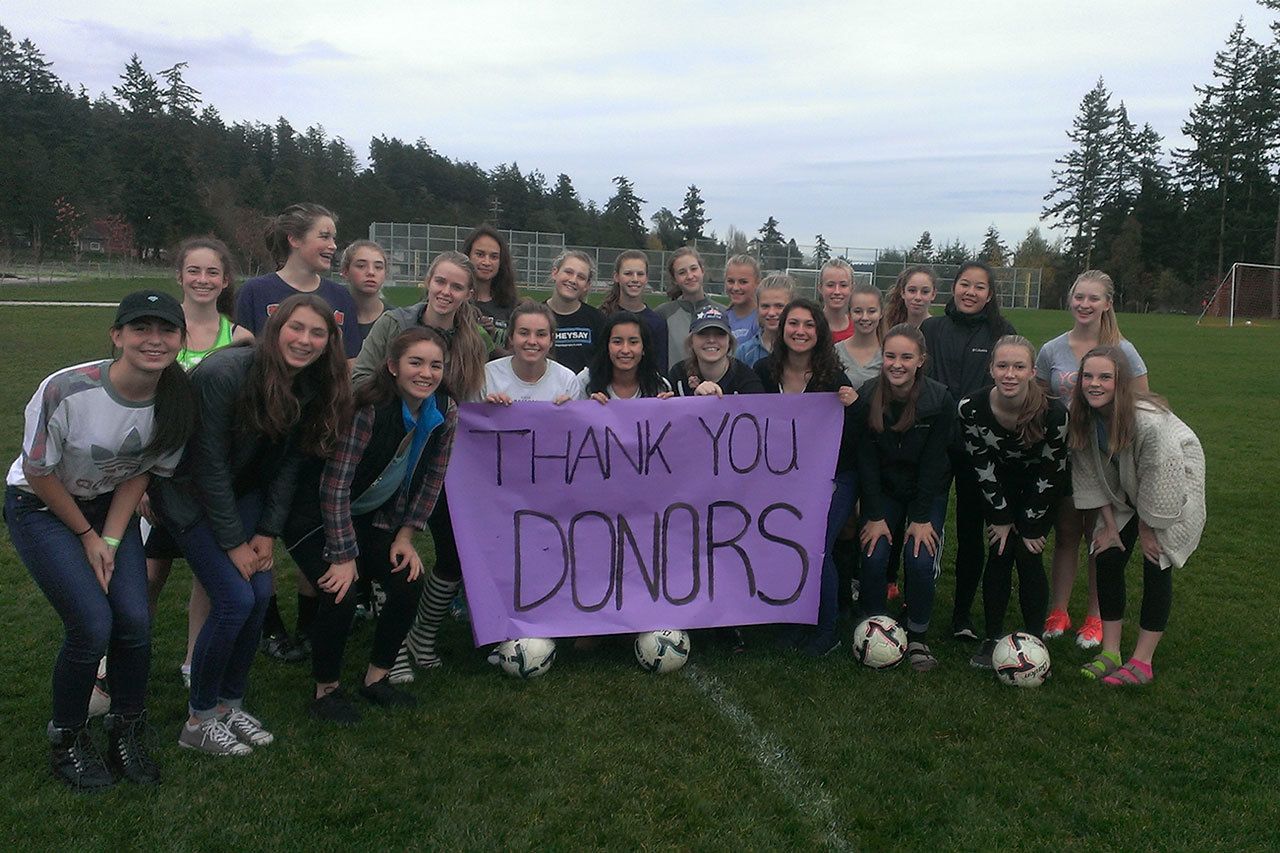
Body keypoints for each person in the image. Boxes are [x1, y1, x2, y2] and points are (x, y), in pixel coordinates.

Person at [6, 291, 194, 789]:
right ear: (117, 336)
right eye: (140, 328)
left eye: (166, 330)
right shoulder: (66, 388)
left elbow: (142, 472)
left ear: (181, 339)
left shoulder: (178, 399)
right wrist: (87, 536)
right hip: (42, 505)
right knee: (91, 623)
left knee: (133, 619)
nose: (154, 340)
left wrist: (109, 540)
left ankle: (125, 729)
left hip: (111, 507)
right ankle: (66, 737)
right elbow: (38, 471)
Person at [153, 293, 351, 755]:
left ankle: (229, 704)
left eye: (317, 333)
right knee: (233, 598)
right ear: (276, 327)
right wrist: (234, 543)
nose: (304, 340)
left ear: (328, 342)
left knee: (260, 595)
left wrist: (265, 532)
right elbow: (207, 467)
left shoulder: (311, 384)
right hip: (188, 498)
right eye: (296, 328)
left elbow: (286, 467)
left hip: (241, 497)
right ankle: (198, 720)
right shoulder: (226, 373)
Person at [284, 327, 456, 723]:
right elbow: (334, 485)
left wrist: (407, 535)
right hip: (314, 515)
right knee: (340, 591)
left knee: (408, 581)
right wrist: (345, 556)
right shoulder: (368, 408)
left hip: (368, 516)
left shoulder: (444, 411)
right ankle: (325, 690)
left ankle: (376, 677)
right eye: (415, 363)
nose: (426, 373)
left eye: (435, 365)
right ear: (392, 367)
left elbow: (433, 479)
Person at [353, 251, 489, 683]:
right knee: (386, 549)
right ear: (427, 282)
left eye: (457, 287)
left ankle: (422, 635)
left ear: (468, 294)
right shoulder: (394, 324)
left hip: (441, 459)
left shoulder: (472, 341)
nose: (446, 292)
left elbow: (469, 402)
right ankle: (389, 650)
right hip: (390, 454)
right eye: (441, 282)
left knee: (452, 552)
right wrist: (411, 405)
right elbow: (360, 381)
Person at [236, 203, 362, 661]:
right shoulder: (256, 290)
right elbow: (246, 359)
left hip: (314, 434)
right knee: (256, 531)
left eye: (334, 237)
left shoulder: (340, 297)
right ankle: (268, 627)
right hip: (263, 431)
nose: (333, 245)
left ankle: (310, 626)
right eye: (324, 236)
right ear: (294, 239)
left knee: (314, 527)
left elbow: (344, 368)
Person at [145, 238, 253, 692]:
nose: (203, 280)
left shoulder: (242, 339)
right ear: (180, 276)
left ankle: (194, 659)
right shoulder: (158, 334)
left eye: (212, 273)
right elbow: (138, 409)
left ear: (225, 280)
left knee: (208, 579)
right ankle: (122, 652)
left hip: (209, 480)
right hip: (159, 476)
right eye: (194, 271)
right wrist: (143, 487)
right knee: (149, 572)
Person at [1068, 346, 1204, 685]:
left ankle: (1142, 662)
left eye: (1104, 377)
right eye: (1088, 376)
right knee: (1107, 554)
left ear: (1121, 383)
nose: (1094, 384)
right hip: (1123, 484)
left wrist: (1148, 529)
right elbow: (1087, 473)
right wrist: (1110, 526)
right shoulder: (1082, 415)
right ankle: (1111, 652)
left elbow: (1159, 478)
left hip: (1174, 481)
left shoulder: (1149, 422)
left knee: (1156, 559)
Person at [1037, 270, 1150, 650]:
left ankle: (1096, 617)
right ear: (1070, 300)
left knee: (1100, 536)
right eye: (1078, 297)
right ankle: (1058, 610)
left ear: (1107, 304)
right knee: (1067, 533)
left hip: (1110, 462)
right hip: (1066, 458)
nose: (1084, 305)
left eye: (1093, 298)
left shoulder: (1124, 350)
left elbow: (1143, 408)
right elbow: (1040, 405)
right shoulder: (1051, 350)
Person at [959, 336, 1069, 669]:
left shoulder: (1054, 412)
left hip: (1042, 487)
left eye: (1019, 367)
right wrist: (1001, 517)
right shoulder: (971, 408)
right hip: (998, 487)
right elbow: (981, 466)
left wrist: (1032, 524)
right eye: (1003, 366)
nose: (1010, 374)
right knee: (1001, 549)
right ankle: (993, 638)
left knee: (1029, 552)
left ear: (1033, 371)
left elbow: (1053, 471)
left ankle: (1034, 641)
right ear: (991, 368)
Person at [754, 299, 857, 656]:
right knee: (783, 544)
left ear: (820, 332)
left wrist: (851, 406)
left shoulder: (833, 378)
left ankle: (828, 629)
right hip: (782, 478)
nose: (800, 331)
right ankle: (794, 621)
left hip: (833, 477)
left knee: (816, 547)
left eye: (809, 325)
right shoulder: (764, 371)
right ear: (781, 329)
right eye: (793, 323)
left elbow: (852, 438)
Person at [920, 261, 1015, 641]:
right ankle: (917, 599)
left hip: (982, 449)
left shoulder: (1001, 332)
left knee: (973, 534)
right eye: (964, 284)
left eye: (979, 287)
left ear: (990, 294)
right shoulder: (931, 328)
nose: (970, 292)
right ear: (954, 287)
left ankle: (962, 615)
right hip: (935, 446)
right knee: (927, 523)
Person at [855, 324, 954, 672]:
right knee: (873, 554)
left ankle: (917, 635)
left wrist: (922, 516)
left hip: (924, 494)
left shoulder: (940, 399)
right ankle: (871, 626)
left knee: (919, 558)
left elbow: (935, 463)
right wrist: (875, 514)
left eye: (906, 357)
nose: (897, 364)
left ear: (921, 360)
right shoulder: (867, 396)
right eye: (891, 356)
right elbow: (865, 461)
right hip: (883, 493)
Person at [482, 301, 585, 404]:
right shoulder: (488, 376)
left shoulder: (567, 381)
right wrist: (485, 411)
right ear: (511, 337)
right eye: (524, 333)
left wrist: (570, 413)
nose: (532, 341)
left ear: (551, 340)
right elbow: (471, 418)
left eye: (541, 334)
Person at [668, 305, 765, 397]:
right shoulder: (678, 375)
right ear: (691, 341)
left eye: (720, 334)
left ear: (729, 341)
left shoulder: (747, 380)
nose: (711, 340)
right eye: (703, 333)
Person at [599, 249, 669, 373]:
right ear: (616, 277)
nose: (635, 279)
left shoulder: (656, 322)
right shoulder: (603, 316)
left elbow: (659, 367)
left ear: (646, 278)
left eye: (640, 274)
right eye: (628, 273)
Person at [580, 311, 673, 401]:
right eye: (617, 342)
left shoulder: (659, 386)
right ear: (606, 346)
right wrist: (588, 408)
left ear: (644, 348)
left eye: (633, 342)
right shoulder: (585, 381)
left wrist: (668, 408)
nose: (625, 350)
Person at [543, 250, 606, 374]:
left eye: (581, 277)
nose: (573, 280)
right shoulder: (535, 316)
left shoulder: (598, 320)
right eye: (568, 272)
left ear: (587, 285)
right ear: (554, 273)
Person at [655, 247, 716, 365]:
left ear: (702, 270)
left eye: (694, 269)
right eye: (682, 272)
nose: (690, 276)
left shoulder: (721, 312)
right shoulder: (663, 314)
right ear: (674, 279)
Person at [464, 224, 518, 346]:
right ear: (468, 256)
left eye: (494, 257)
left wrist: (494, 335)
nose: (486, 262)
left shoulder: (511, 305)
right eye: (480, 254)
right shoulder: (455, 300)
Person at [737, 273, 794, 367]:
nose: (771, 313)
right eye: (765, 306)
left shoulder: (801, 349)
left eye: (779, 306)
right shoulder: (744, 352)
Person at [835, 280, 884, 388]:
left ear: (881, 313)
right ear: (849, 313)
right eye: (858, 311)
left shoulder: (889, 353)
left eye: (871, 311)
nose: (865, 317)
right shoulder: (835, 353)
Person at [341, 239, 390, 338]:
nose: (371, 272)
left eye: (378, 267)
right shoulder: (332, 315)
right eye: (361, 266)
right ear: (346, 272)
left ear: (385, 274)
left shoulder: (395, 321)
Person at [882, 265, 937, 332]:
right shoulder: (887, 328)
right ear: (903, 292)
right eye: (912, 290)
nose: (918, 297)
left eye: (925, 292)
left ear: (933, 294)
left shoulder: (940, 331)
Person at [724, 254, 761, 347]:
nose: (735, 287)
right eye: (731, 281)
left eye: (743, 282)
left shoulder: (762, 319)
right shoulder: (722, 318)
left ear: (757, 283)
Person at [818, 259, 855, 343]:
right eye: (830, 285)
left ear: (852, 288)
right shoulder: (810, 327)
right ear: (820, 288)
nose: (837, 291)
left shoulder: (859, 330)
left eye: (843, 285)